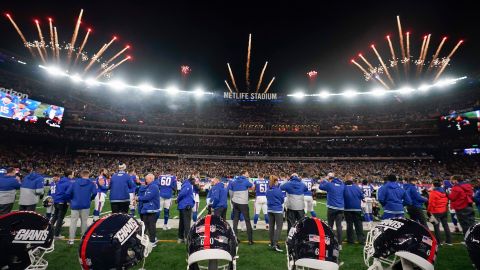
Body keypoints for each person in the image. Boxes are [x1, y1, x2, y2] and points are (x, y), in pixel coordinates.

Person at [66, 170, 96, 245]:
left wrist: (70, 201)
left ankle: (71, 240)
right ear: (88, 175)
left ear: (81, 175)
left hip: (75, 205)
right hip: (85, 205)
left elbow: (67, 193)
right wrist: (91, 199)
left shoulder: (74, 182)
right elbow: (95, 193)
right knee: (84, 222)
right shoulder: (91, 183)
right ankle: (83, 239)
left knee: (73, 222)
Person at [318, 172, 345, 248]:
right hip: (340, 208)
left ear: (329, 178)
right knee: (339, 226)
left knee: (330, 226)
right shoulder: (342, 185)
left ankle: (330, 243)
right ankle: (340, 244)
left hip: (332, 208)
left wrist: (324, 180)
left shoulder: (329, 184)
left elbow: (320, 187)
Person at [229, 170, 254, 245]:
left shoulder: (234, 181)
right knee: (247, 221)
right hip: (243, 203)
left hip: (235, 202)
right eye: (247, 173)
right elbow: (253, 188)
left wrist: (232, 199)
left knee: (235, 221)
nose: (248, 174)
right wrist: (249, 178)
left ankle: (235, 239)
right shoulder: (246, 181)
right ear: (243, 174)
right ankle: (250, 240)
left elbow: (230, 191)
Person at [427, 180, 452, 245]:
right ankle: (449, 241)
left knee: (436, 227)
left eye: (432, 185)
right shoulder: (444, 192)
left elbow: (431, 203)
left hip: (436, 212)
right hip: (444, 211)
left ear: (434, 185)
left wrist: (428, 211)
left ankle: (439, 242)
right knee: (445, 225)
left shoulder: (433, 193)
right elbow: (447, 201)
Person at [138, 173, 160, 246]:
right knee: (147, 225)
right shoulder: (151, 186)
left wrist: (138, 198)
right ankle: (151, 239)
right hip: (148, 208)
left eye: (147, 179)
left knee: (150, 225)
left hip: (151, 209)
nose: (146, 180)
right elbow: (142, 189)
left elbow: (148, 197)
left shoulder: (153, 186)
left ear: (151, 179)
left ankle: (152, 241)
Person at [50, 170, 73, 239]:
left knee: (55, 217)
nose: (73, 176)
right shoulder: (69, 182)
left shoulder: (59, 181)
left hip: (56, 201)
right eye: (72, 174)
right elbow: (67, 194)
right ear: (69, 175)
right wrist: (68, 201)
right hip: (62, 202)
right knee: (60, 218)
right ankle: (56, 234)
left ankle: (48, 230)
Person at [343, 175, 364, 244]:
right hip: (357, 208)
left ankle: (350, 239)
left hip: (347, 208)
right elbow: (362, 197)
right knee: (358, 224)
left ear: (345, 180)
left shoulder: (343, 187)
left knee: (349, 224)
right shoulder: (357, 187)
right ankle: (361, 240)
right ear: (352, 180)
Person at [266, 175, 284, 252]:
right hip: (277, 210)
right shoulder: (278, 190)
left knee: (271, 226)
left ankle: (271, 242)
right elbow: (282, 200)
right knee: (279, 227)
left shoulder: (268, 190)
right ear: (275, 181)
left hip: (270, 210)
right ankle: (275, 244)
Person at [177, 177, 195, 243]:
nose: (194, 182)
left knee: (181, 223)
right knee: (187, 223)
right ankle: (187, 238)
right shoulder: (188, 185)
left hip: (182, 206)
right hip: (186, 206)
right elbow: (182, 194)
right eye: (194, 180)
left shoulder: (185, 184)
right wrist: (178, 199)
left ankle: (180, 237)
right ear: (191, 180)